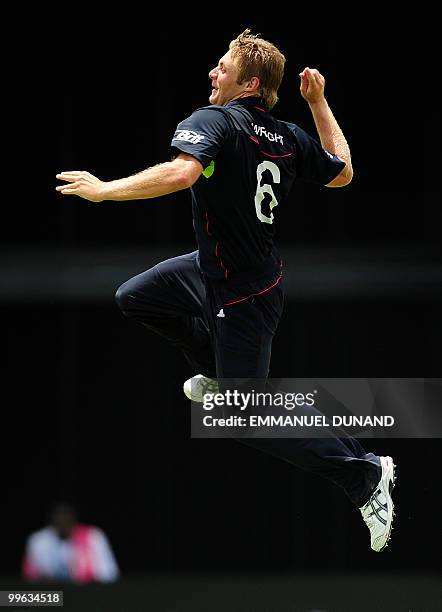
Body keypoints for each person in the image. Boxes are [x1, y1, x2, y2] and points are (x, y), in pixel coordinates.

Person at [56, 29, 396, 552]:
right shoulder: (284, 135)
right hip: (215, 269)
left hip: (244, 292)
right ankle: (218, 373)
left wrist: (106, 190)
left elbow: (181, 172)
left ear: (249, 83)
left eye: (222, 67)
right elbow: (343, 171)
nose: (212, 74)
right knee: (136, 297)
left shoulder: (214, 120)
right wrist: (319, 103)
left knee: (244, 416)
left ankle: (363, 476)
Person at [22, 503, 119, 583]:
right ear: (52, 520)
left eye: (66, 519)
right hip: (50, 593)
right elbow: (30, 574)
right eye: (58, 519)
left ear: (74, 519)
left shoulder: (92, 535)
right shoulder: (38, 539)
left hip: (86, 591)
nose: (63, 522)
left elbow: (109, 573)